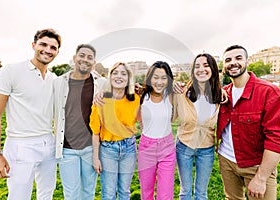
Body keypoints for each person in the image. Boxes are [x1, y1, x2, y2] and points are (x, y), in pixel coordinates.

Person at [0, 28, 61, 199]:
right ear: (33, 45)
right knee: (19, 196)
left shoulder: (54, 79)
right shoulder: (11, 71)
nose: (47, 50)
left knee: (46, 194)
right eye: (43, 44)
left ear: (57, 52)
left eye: (53, 47)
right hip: (21, 144)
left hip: (48, 143)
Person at [217, 45, 280, 199]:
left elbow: (278, 139)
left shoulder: (270, 93)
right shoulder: (224, 93)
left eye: (238, 58)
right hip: (226, 161)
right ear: (224, 66)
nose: (233, 63)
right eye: (228, 60)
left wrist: (261, 177)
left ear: (247, 61)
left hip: (257, 166)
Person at [53, 44, 105, 199]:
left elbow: (122, 87)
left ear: (94, 63)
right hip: (67, 150)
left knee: (88, 192)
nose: (85, 60)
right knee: (71, 194)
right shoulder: (59, 82)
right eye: (82, 56)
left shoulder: (101, 83)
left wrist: (136, 89)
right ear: (74, 58)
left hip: (90, 149)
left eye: (90, 58)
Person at [172, 53, 222, 200]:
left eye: (206, 65)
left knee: (201, 193)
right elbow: (170, 116)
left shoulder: (220, 95)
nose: (201, 69)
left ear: (213, 69)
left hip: (206, 149)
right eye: (197, 66)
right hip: (184, 146)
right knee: (185, 191)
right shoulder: (182, 93)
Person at [90, 62, 140, 200]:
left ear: (129, 78)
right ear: (110, 77)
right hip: (108, 150)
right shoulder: (101, 100)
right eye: (115, 73)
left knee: (124, 191)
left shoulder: (135, 99)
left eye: (124, 74)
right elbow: (95, 133)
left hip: (129, 148)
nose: (119, 76)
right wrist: (96, 158)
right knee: (109, 193)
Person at [137, 61, 176, 200]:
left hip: (167, 148)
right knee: (146, 191)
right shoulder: (141, 96)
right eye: (155, 77)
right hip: (146, 148)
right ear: (149, 78)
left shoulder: (171, 95)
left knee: (165, 194)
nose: (159, 82)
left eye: (164, 78)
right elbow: (137, 118)